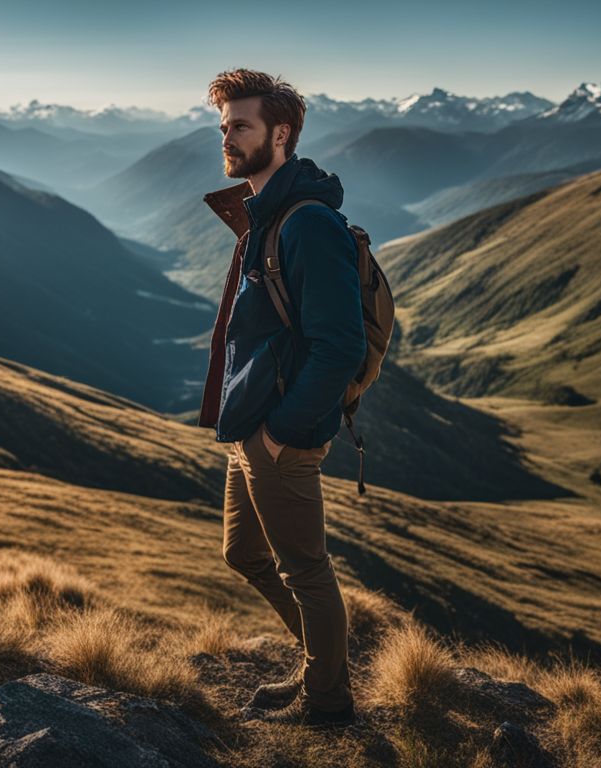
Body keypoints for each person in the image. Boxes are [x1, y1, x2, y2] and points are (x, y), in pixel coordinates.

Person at [197, 68, 366, 728]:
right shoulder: (263, 212)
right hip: (251, 427)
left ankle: (328, 700)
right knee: (243, 555)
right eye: (224, 127)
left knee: (305, 571)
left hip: (278, 436)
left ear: (282, 133)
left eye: (241, 126)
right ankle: (316, 666)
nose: (228, 138)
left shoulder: (307, 224)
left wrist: (281, 433)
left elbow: (340, 345)